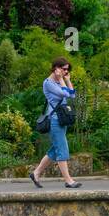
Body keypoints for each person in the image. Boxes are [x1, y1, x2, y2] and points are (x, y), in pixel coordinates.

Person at [30, 57, 81, 188]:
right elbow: (65, 94)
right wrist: (62, 80)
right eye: (64, 69)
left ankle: (36, 173)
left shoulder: (59, 81)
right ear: (56, 68)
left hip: (61, 119)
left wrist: (68, 80)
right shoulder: (48, 83)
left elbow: (73, 95)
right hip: (54, 120)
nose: (66, 72)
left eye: (67, 70)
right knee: (62, 149)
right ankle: (68, 180)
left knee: (54, 150)